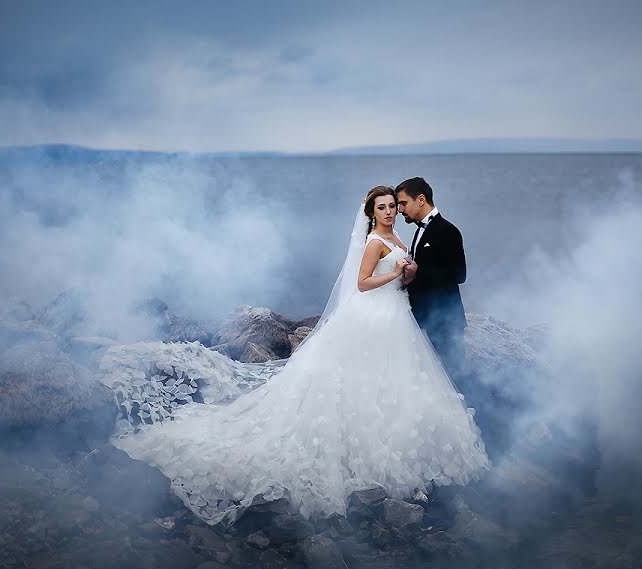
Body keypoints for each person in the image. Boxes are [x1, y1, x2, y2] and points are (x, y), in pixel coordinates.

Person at [111, 186, 488, 526]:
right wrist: (397, 275)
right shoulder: (375, 241)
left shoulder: (400, 235)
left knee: (397, 379)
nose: (391, 212)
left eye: (394, 205)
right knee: (365, 375)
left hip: (396, 314)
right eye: (385, 207)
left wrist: (408, 275)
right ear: (371, 213)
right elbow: (362, 282)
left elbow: (421, 273)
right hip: (375, 315)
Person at [396, 177, 468, 381]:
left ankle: (469, 411)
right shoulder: (420, 230)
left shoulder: (447, 230)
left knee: (454, 375)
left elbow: (459, 274)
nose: (400, 209)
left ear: (420, 199)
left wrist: (419, 271)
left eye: (403, 203)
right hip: (424, 317)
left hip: (444, 321)